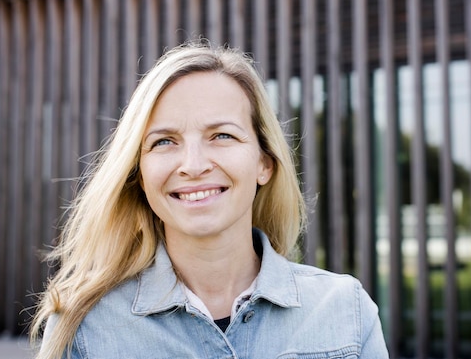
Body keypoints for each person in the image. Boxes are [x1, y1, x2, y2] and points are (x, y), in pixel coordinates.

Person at [30, 42, 388, 358]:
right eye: (164, 141)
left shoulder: (346, 312)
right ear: (139, 173)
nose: (194, 166)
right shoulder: (83, 324)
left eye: (221, 135)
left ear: (264, 162)